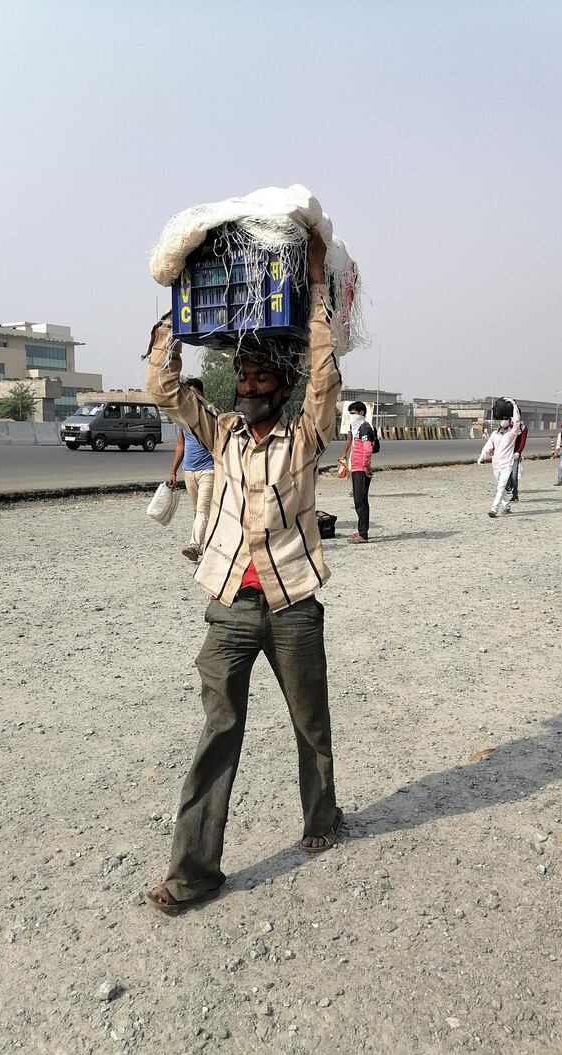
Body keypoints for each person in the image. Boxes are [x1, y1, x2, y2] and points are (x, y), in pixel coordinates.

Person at [144, 231, 343, 915]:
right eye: (245, 376)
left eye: (264, 377)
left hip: (292, 602)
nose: (251, 384)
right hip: (230, 603)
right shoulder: (220, 432)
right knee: (217, 731)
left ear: (283, 389)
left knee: (309, 722)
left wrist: (315, 289)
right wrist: (176, 304)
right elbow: (163, 387)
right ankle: (193, 874)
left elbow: (326, 377)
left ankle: (322, 818)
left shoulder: (307, 438)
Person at [167, 378, 215, 562]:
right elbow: (181, 445)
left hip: (208, 470)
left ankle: (194, 546)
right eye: (188, 394)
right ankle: (209, 544)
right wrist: (173, 471)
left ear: (202, 395)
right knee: (198, 511)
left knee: (202, 510)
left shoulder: (210, 415)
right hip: (189, 471)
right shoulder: (181, 419)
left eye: (194, 394)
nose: (191, 398)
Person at [478, 398, 521, 518]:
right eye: (502, 419)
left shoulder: (512, 434)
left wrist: (513, 405)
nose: (504, 421)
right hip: (496, 465)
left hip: (507, 465)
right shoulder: (494, 434)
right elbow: (488, 446)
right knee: (499, 487)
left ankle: (494, 509)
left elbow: (517, 421)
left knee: (501, 487)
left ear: (509, 420)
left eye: (506, 419)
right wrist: (482, 456)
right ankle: (506, 506)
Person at [340, 401, 375, 543]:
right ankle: (361, 530)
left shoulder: (365, 427)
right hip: (356, 468)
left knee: (360, 501)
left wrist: (366, 465)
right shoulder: (357, 427)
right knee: (358, 500)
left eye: (353, 413)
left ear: (361, 413)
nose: (351, 416)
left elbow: (367, 449)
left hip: (361, 468)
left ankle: (363, 534)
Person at [506, 418, 528, 502]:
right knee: (506, 472)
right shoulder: (507, 427)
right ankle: (507, 487)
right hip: (506, 453)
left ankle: (515, 494)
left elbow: (523, 442)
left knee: (514, 474)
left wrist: (518, 452)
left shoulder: (523, 428)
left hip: (515, 454)